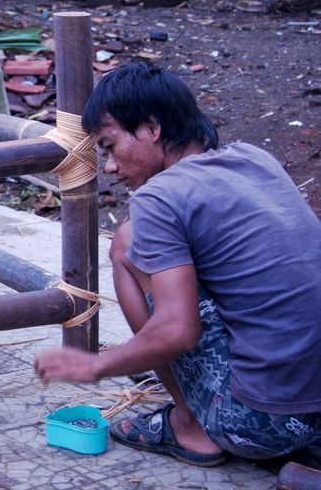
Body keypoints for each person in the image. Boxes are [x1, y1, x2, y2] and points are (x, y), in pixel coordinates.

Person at [34, 62, 321, 467]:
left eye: (111, 146)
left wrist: (96, 366)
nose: (110, 167)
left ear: (152, 128)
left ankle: (191, 425)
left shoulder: (159, 198)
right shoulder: (254, 159)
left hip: (262, 424)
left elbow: (178, 330)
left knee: (126, 243)